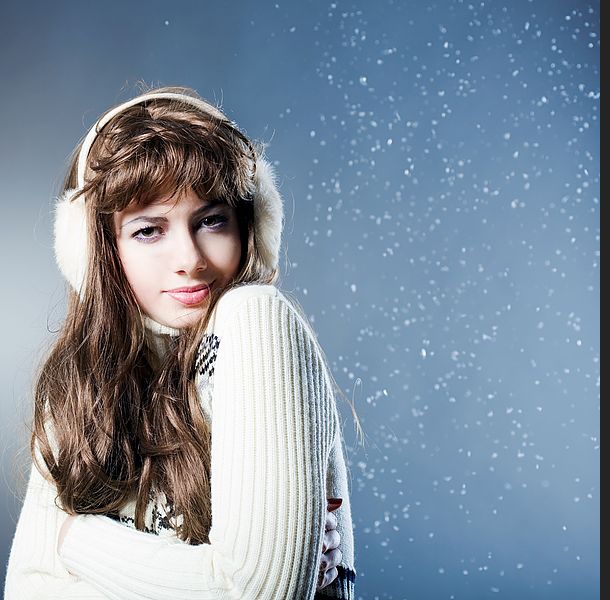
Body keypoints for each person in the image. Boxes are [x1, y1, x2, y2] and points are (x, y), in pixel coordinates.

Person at [4, 86, 358, 599]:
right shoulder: (81, 381)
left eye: (211, 220)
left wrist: (73, 544)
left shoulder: (255, 320)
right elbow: (28, 588)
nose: (189, 258)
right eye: (149, 230)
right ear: (98, 249)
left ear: (251, 225)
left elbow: (252, 593)